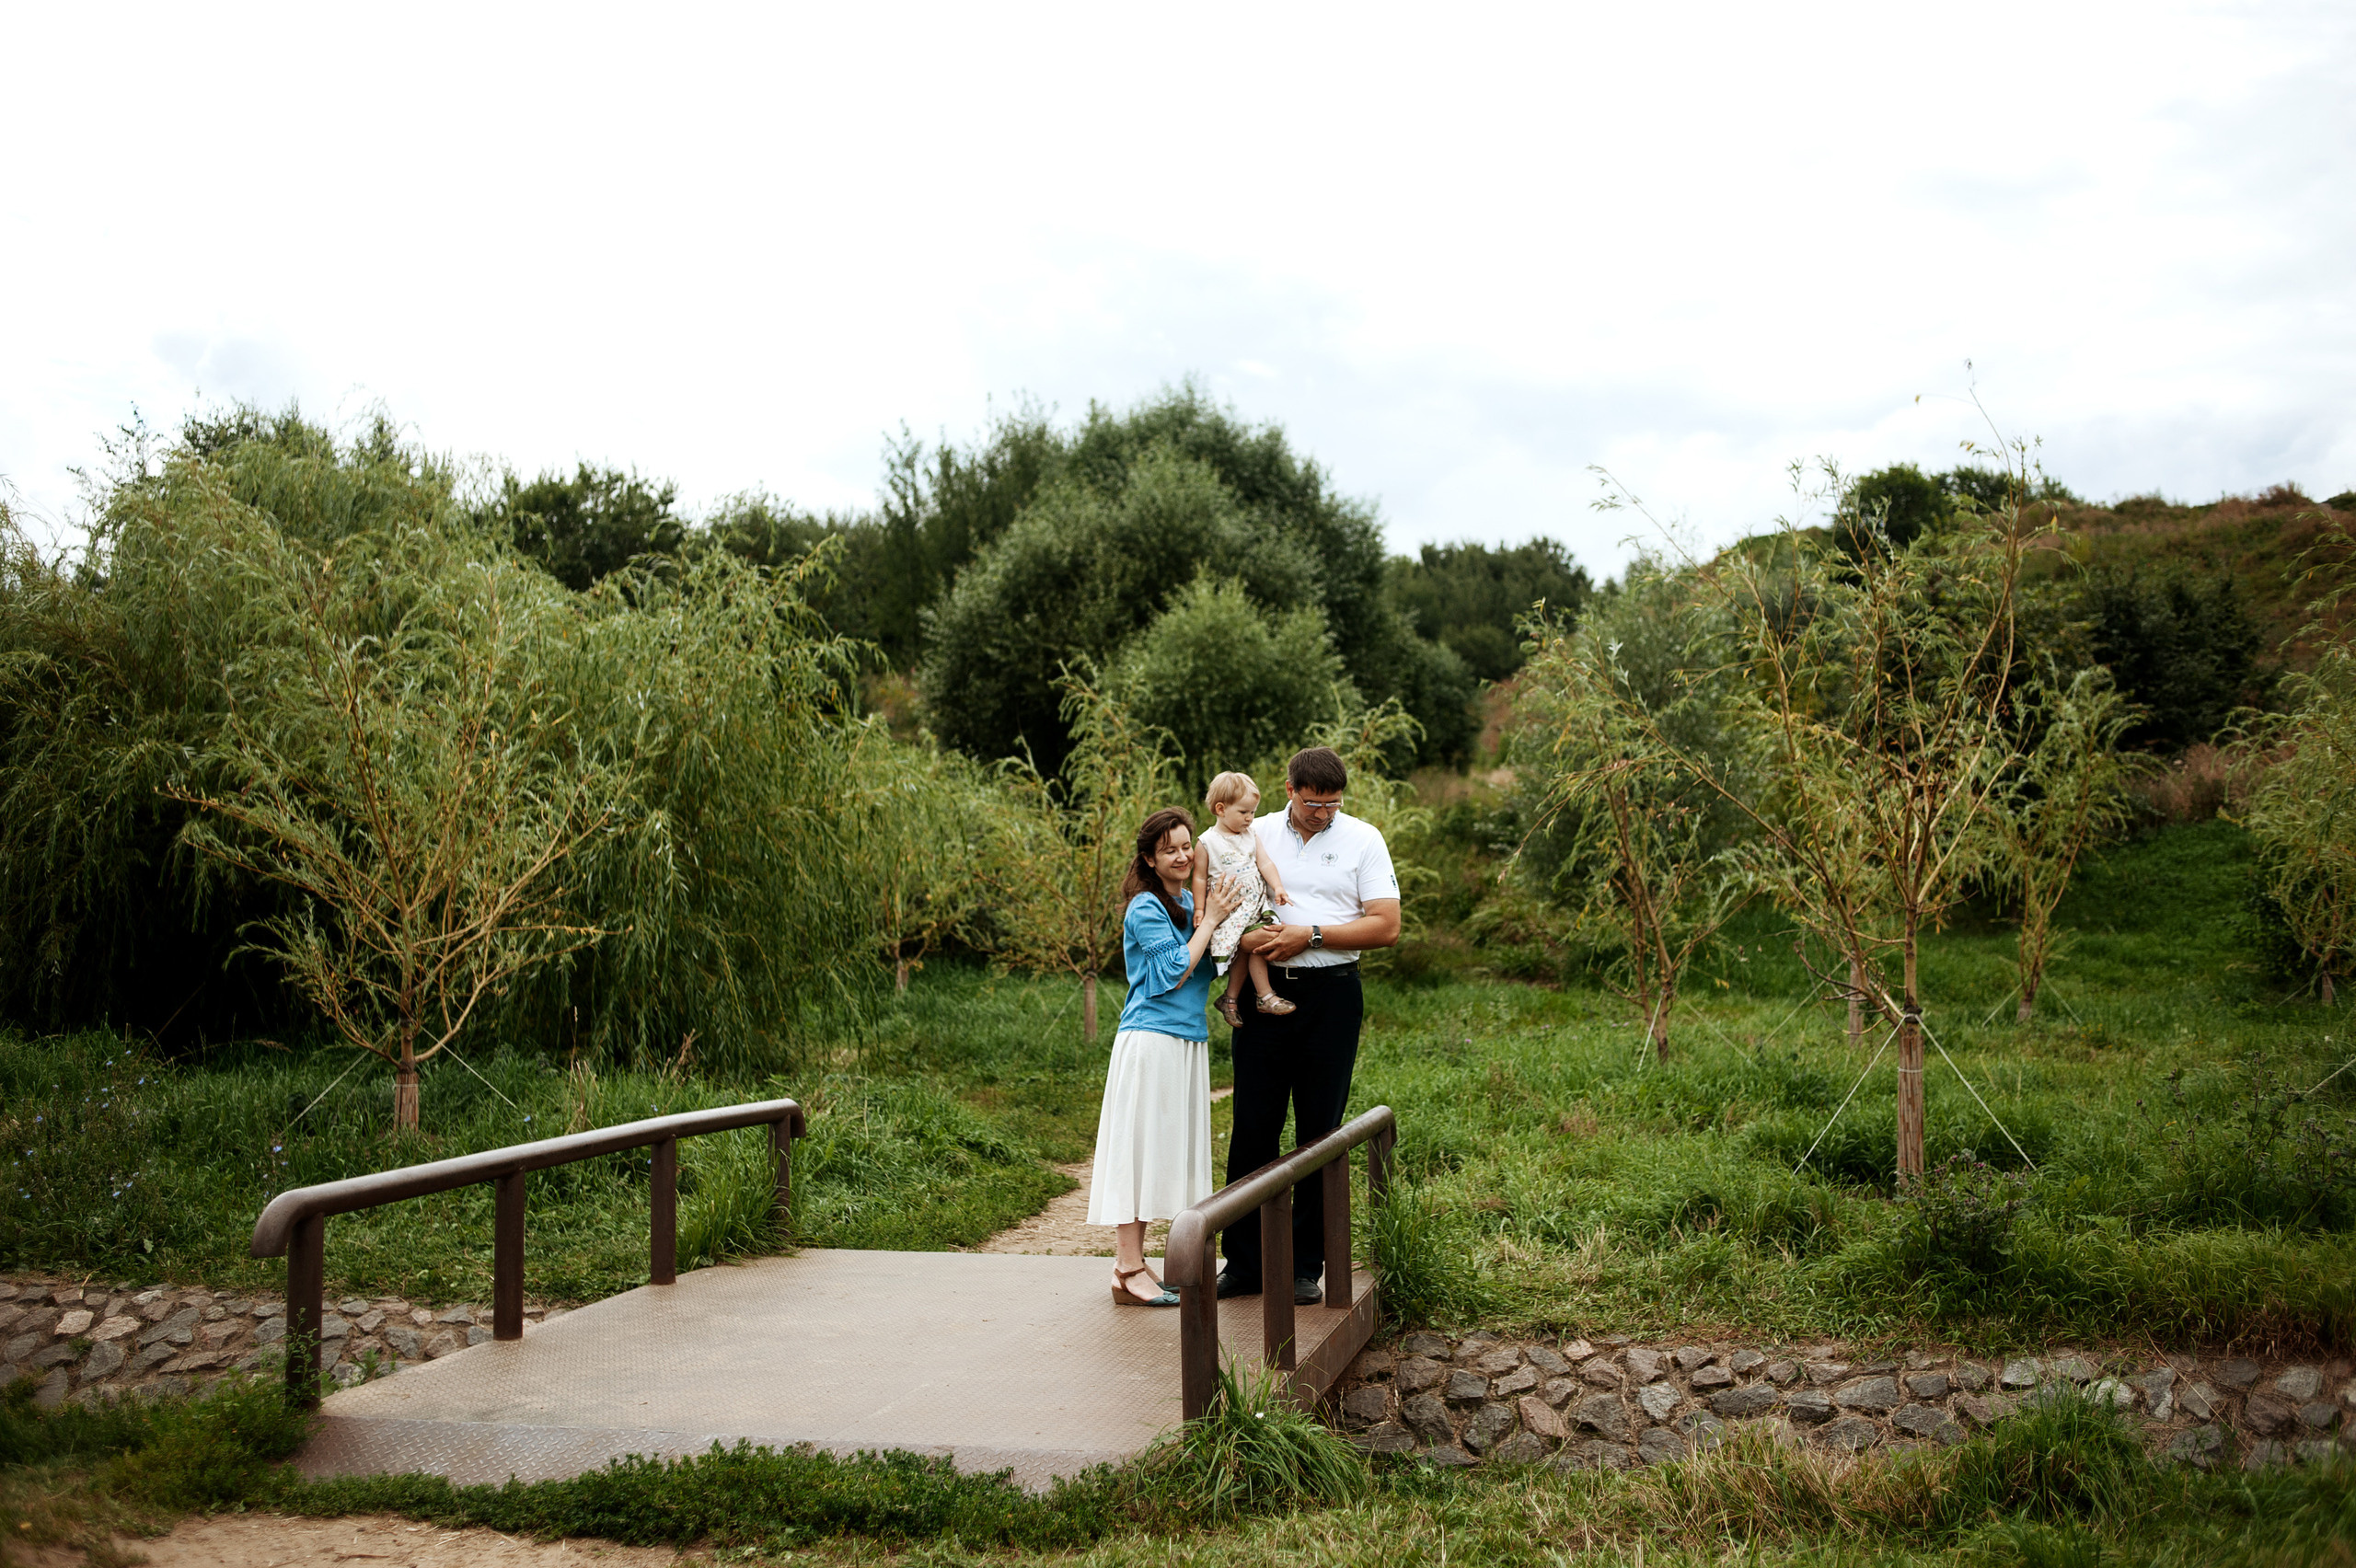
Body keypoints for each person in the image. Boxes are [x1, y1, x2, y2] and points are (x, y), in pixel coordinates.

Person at [1218, 746, 1402, 1304]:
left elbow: (1387, 925)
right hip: (1262, 991)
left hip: (1332, 995)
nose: (1324, 813)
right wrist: (1237, 938)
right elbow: (1216, 891)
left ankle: (1303, 1266)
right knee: (1253, 1125)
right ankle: (1244, 1263)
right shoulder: (1255, 831)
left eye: (1333, 804)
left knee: (1320, 1131)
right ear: (1291, 789)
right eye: (1314, 802)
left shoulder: (1363, 838)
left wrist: (1312, 935)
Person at [1087, 806, 1245, 1305]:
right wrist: (1214, 919)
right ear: (1150, 860)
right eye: (1168, 850)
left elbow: (1213, 962)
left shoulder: (1186, 905)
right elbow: (1175, 971)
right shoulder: (1146, 908)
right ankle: (1126, 1267)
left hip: (1187, 1044)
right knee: (1138, 1152)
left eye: (1185, 845)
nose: (1181, 856)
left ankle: (1138, 1266)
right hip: (1150, 1042)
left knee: (1167, 1153)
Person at [1192, 771, 1298, 1030]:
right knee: (1252, 945)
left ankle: (1235, 998)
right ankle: (1263, 996)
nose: (1250, 819)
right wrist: (1199, 908)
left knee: (1251, 946)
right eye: (1244, 812)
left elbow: (1265, 863)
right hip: (1230, 908)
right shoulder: (1207, 842)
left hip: (1256, 904)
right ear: (1221, 809)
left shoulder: (1251, 835)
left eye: (1253, 812)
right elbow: (1199, 879)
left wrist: (1278, 887)